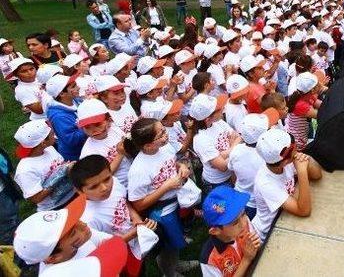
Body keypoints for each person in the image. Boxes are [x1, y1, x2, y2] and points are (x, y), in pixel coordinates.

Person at [124, 118, 193, 277]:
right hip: (162, 214)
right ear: (147, 145)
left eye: (163, 130)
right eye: (161, 134)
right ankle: (169, 273)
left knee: (174, 244)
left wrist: (181, 166)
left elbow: (171, 163)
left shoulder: (165, 147)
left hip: (176, 203)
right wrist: (165, 187)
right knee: (167, 246)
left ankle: (175, 263)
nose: (166, 135)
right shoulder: (139, 170)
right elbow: (138, 205)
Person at [69, 155, 158, 277]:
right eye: (94, 186)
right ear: (79, 191)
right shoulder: (87, 219)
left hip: (136, 242)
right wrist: (134, 233)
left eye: (107, 179)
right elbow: (103, 247)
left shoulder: (114, 183)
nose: (104, 188)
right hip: (120, 254)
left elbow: (123, 201)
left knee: (142, 269)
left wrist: (136, 219)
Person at [13, 195, 115, 273]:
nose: (84, 225)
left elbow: (111, 242)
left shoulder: (83, 236)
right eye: (73, 233)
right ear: (53, 258)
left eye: (75, 220)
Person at [251, 128, 322, 241]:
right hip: (268, 232)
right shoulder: (265, 183)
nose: (297, 147)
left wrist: (304, 159)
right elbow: (304, 211)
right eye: (295, 147)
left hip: (284, 215)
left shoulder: (282, 161)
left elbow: (317, 175)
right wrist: (302, 172)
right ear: (284, 162)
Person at [13, 120, 75, 211]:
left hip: (72, 193)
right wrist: (61, 173)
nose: (54, 136)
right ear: (43, 143)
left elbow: (60, 165)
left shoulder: (49, 149)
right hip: (56, 207)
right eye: (52, 134)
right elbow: (36, 198)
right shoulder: (25, 170)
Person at [199, 186, 262, 277]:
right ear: (215, 231)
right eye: (235, 222)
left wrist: (256, 247)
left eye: (243, 214)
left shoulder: (244, 223)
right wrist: (246, 259)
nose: (244, 223)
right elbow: (249, 257)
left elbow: (257, 247)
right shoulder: (209, 260)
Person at [45, 74, 86, 161]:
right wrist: (89, 126)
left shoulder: (75, 100)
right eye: (73, 86)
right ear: (62, 94)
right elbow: (71, 139)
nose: (78, 87)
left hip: (86, 147)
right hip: (77, 155)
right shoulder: (58, 117)